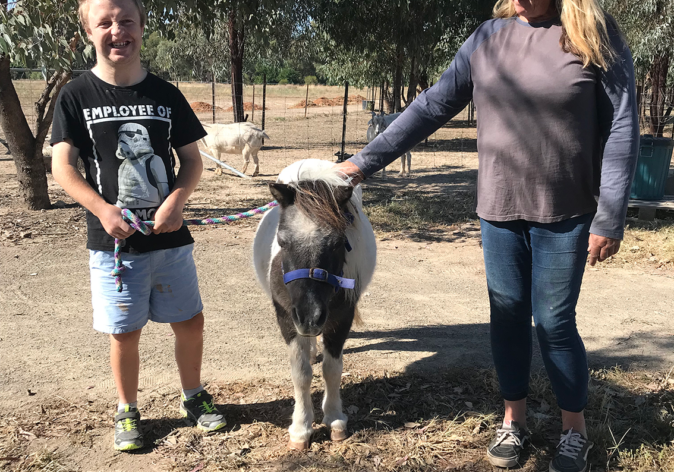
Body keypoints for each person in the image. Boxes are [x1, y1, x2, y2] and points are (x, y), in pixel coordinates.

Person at [334, 0, 639, 470]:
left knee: (555, 322)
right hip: (499, 210)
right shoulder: (487, 37)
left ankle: (573, 429)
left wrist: (611, 214)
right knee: (508, 314)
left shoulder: (593, 33)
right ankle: (513, 420)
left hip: (568, 212)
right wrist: (362, 163)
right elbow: (433, 105)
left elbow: (622, 126)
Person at [51, 0, 226, 452]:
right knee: (124, 332)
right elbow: (63, 168)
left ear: (142, 27)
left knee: (189, 322)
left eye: (126, 20)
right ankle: (127, 408)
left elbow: (190, 161)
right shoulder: (75, 95)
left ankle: (193, 395)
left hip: (170, 239)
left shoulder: (166, 94)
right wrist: (102, 210)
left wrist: (177, 200)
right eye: (104, 22)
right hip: (114, 244)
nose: (116, 30)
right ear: (88, 30)